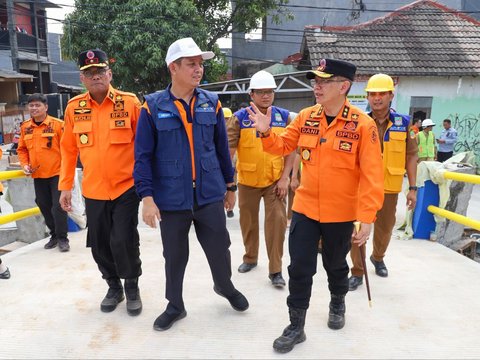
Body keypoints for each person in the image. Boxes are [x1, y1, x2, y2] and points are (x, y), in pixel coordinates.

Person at [247, 58, 384, 353]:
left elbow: (373, 176)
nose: (317, 86)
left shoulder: (363, 125)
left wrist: (368, 218)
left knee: (335, 266)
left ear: (344, 86)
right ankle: (296, 326)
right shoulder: (307, 117)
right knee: (299, 269)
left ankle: (338, 301)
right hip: (305, 209)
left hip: (341, 213)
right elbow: (282, 146)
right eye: (315, 81)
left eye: (324, 81)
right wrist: (265, 131)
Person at [134, 37, 249, 331]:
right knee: (174, 256)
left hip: (209, 194)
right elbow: (143, 157)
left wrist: (231, 186)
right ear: (174, 67)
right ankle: (175, 305)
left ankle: (224, 286)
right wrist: (147, 198)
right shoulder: (151, 106)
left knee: (220, 247)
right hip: (171, 198)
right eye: (191, 64)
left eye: (200, 64)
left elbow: (222, 149)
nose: (198, 70)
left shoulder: (211, 103)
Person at [59, 49, 143, 316]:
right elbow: (68, 150)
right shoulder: (74, 108)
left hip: (126, 186)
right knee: (99, 243)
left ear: (109, 74)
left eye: (99, 71)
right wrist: (65, 187)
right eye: (88, 73)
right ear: (82, 79)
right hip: (93, 190)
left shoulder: (129, 103)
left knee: (123, 239)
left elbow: (144, 146)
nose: (95, 76)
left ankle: (131, 286)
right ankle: (113, 286)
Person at [348, 73, 418, 291]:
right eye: (373, 94)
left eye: (382, 94)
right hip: (362, 187)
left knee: (385, 228)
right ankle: (357, 271)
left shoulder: (404, 123)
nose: (377, 98)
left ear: (390, 96)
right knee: (358, 230)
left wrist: (413, 188)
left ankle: (378, 258)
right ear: (367, 97)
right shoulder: (358, 122)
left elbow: (412, 156)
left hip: (389, 186)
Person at [227, 70, 294, 288]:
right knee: (248, 223)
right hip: (247, 180)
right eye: (261, 92)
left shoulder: (283, 117)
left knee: (276, 223)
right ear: (251, 94)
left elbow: (291, 149)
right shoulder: (239, 119)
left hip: (275, 181)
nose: (266, 96)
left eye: (269, 92)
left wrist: (285, 178)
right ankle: (250, 257)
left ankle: (275, 270)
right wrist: (229, 183)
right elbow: (229, 150)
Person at [16, 93, 70, 252]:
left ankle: (62, 238)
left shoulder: (58, 125)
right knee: (44, 206)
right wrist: (24, 165)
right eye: (31, 105)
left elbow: (68, 149)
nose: (34, 108)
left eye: (37, 105)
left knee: (58, 206)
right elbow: (21, 149)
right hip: (38, 175)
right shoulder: (25, 127)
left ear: (45, 107)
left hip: (57, 173)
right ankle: (54, 234)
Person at [222, 107, 235, 219]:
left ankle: (230, 209)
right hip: (222, 165)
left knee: (232, 188)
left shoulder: (233, 130)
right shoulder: (216, 130)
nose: (225, 121)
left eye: (227, 119)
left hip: (233, 164)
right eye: (224, 118)